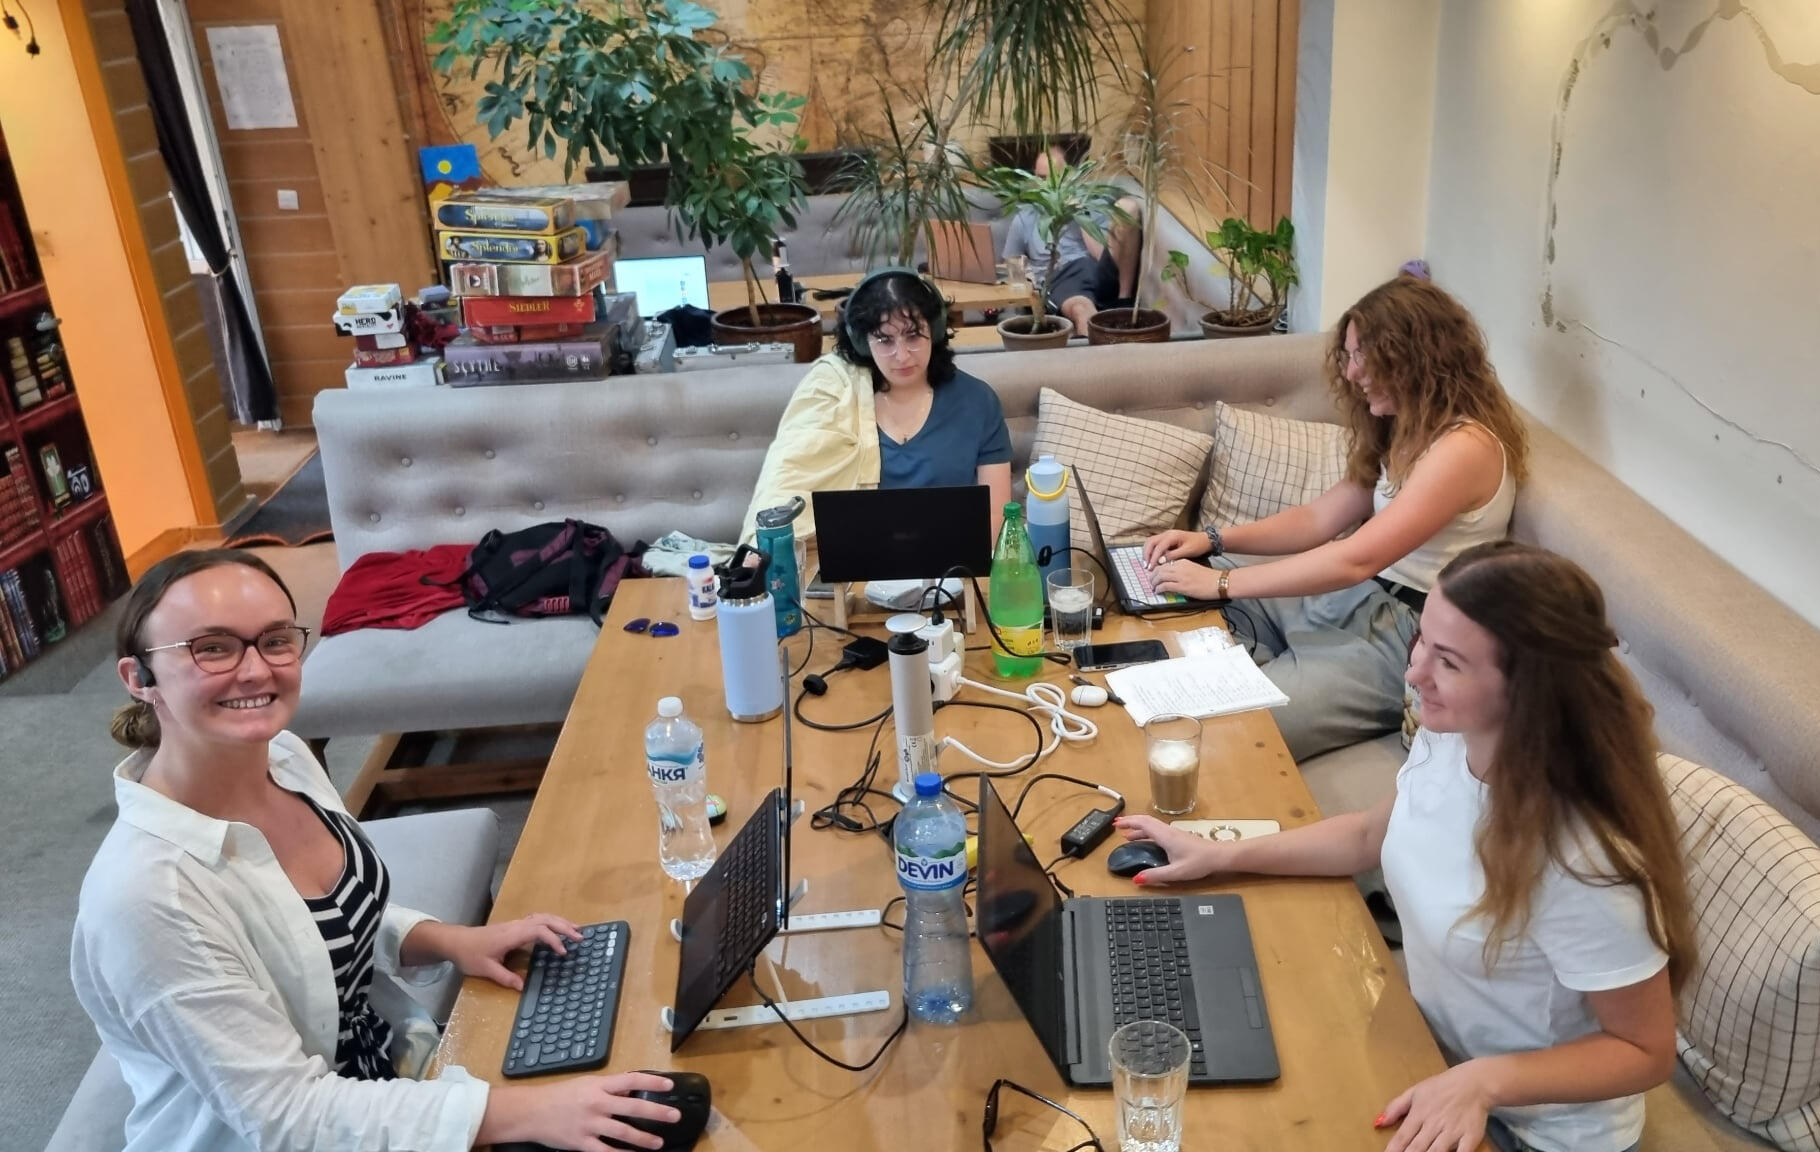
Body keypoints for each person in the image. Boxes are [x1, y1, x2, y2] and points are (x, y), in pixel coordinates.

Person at [71, 548, 683, 1152]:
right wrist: (527, 1112)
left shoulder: (280, 756)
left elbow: (316, 923)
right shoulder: (147, 898)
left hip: (379, 1080)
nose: (256, 670)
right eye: (213, 648)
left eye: (276, 640)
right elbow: (288, 1118)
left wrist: (450, 941)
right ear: (139, 678)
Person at [1116, 541, 1696, 1152]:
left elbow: (1644, 1050)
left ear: (1528, 690)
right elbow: (1370, 834)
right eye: (1423, 641)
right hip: (1432, 1053)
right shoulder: (1452, 735)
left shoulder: (1585, 860)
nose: (1415, 672)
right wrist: (1221, 854)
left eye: (1449, 662)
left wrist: (1484, 1082)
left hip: (1539, 1129)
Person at [1142, 273, 1530, 760]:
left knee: (1238, 729)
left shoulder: (1465, 447)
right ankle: (1261, 661)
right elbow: (1317, 519)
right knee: (1181, 588)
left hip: (1405, 631)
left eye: (1364, 356)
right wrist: (1213, 541)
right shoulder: (1400, 429)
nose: (1351, 373)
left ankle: (1268, 670)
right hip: (1352, 597)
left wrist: (1220, 584)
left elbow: (1356, 558)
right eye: (1349, 355)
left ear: (1416, 358)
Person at [742, 268, 1013, 544]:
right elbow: (789, 485)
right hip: (855, 566)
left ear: (935, 330)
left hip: (955, 564)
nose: (902, 355)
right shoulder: (836, 397)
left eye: (913, 336)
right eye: (884, 340)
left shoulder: (978, 401)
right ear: (862, 342)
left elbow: (996, 518)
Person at [999, 144, 1142, 337]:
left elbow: (1103, 255)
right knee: (1082, 310)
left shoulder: (1092, 205)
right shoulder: (1025, 218)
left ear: (1070, 177)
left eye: (1055, 178)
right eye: (1041, 178)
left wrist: (1080, 215)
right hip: (1061, 277)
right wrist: (1029, 278)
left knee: (1128, 207)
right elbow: (1010, 265)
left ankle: (1124, 301)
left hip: (1097, 270)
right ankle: (1101, 350)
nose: (1047, 185)